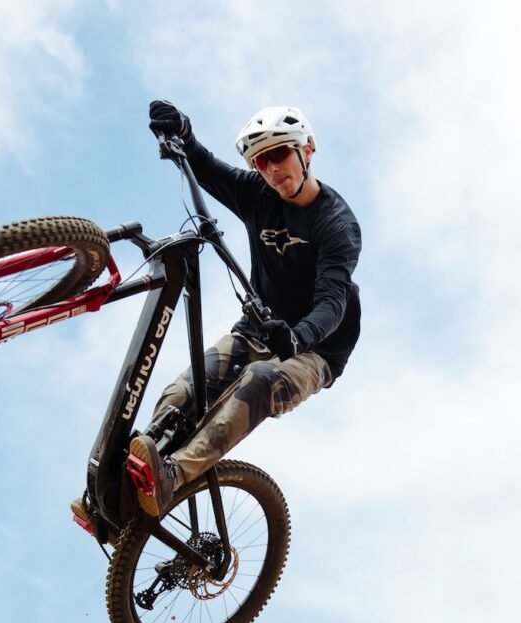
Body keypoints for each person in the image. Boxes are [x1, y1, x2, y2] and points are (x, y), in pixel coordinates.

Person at [126, 100, 363, 518]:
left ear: (307, 149)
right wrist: (181, 132)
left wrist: (297, 336)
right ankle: (131, 481)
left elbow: (333, 302)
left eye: (279, 155)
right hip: (255, 329)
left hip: (314, 350)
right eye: (260, 162)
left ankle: (173, 477)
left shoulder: (335, 225)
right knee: (184, 390)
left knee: (258, 381)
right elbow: (204, 166)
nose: (272, 170)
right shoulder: (258, 195)